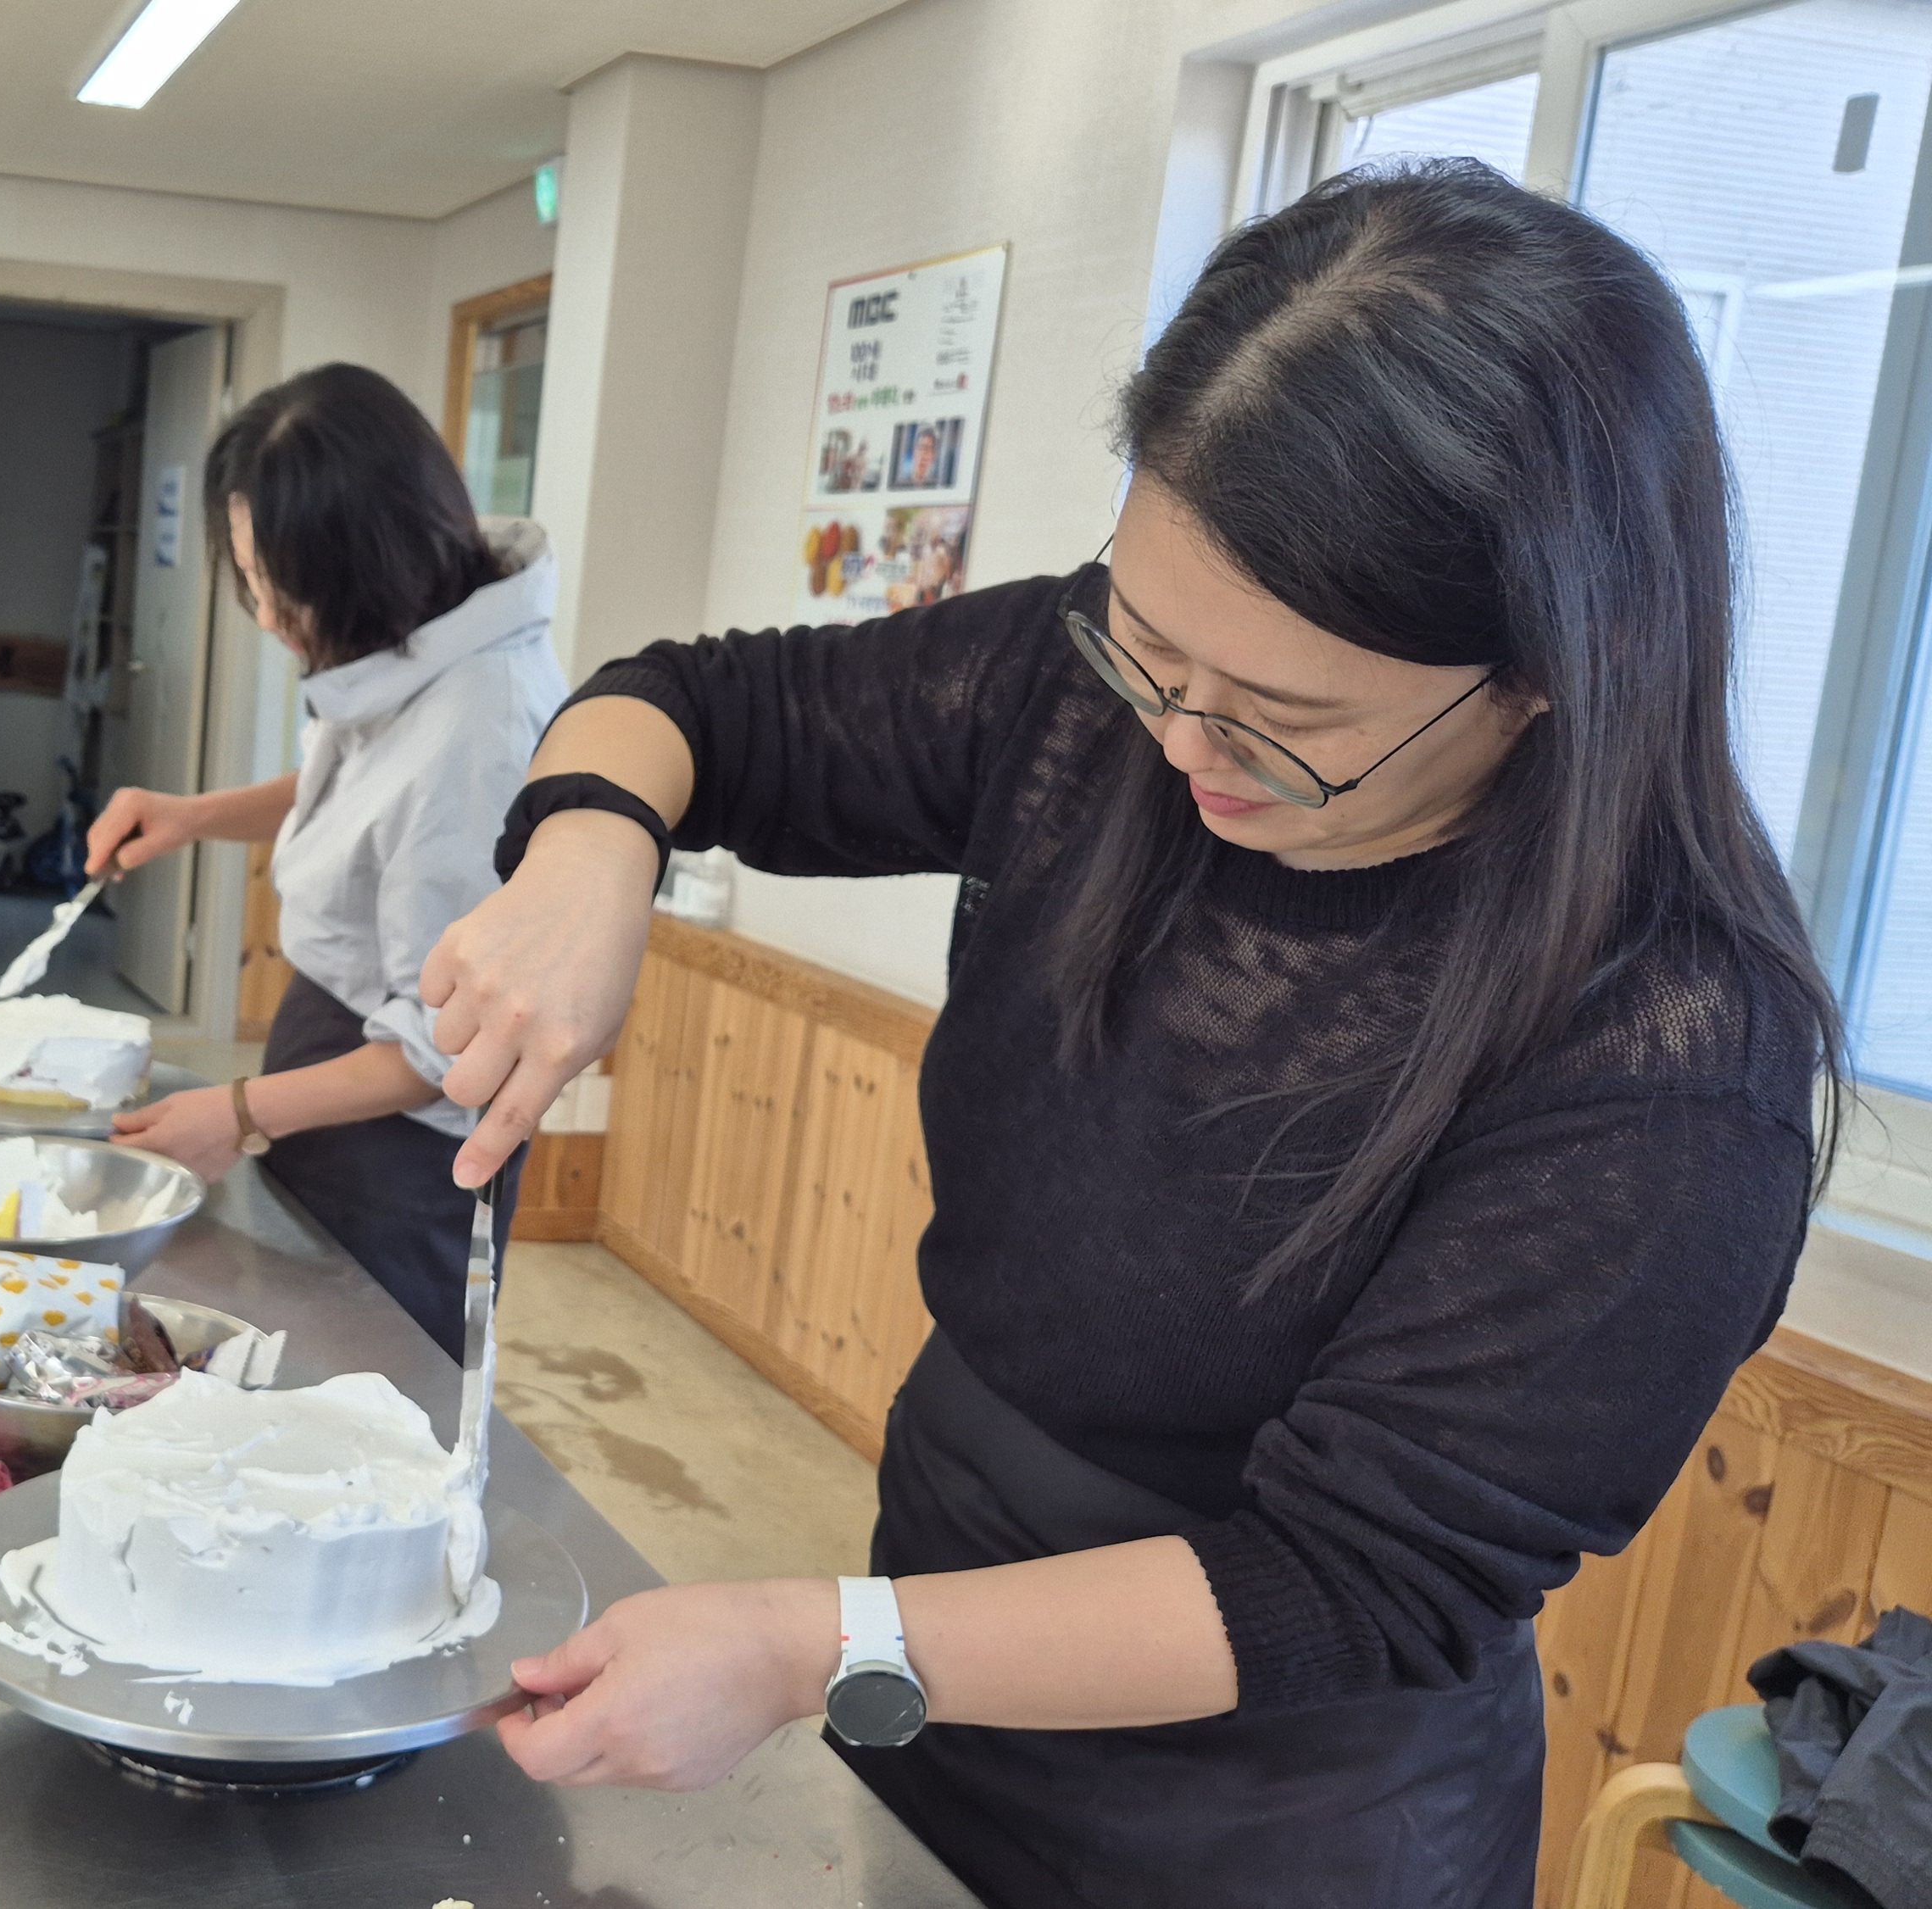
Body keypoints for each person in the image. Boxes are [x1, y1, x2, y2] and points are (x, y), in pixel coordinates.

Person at [422, 161, 1840, 1905]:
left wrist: (811, 1641)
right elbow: (699, 708)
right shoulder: (1086, 697)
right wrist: (589, 853)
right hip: (938, 1613)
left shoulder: (1668, 1055)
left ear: (1550, 673)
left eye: (1285, 721)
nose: (1182, 746)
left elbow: (1348, 1580)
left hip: (1274, 1802)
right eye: (1147, 651)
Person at [94, 363, 564, 1359]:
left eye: (277, 588)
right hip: (334, 1056)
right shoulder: (418, 639)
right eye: (252, 578)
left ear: (362, 562)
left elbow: (438, 1052)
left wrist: (233, 1111)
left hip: (409, 1136)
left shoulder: (480, 728)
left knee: (368, 1391)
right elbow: (356, 800)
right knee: (283, 1351)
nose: (265, 615)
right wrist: (190, 816)